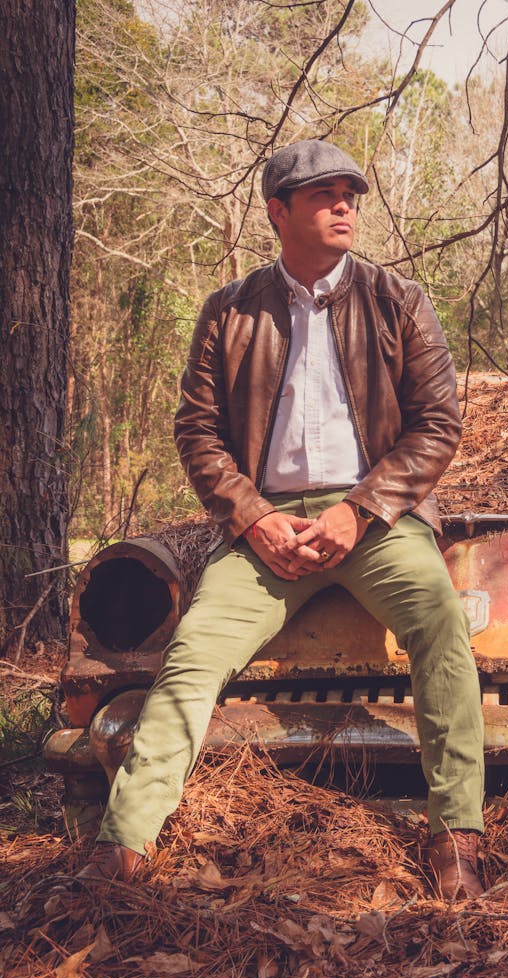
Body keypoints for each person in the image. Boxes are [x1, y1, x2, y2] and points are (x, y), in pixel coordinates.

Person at [77, 139, 485, 899]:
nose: (344, 206)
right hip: (266, 528)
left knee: (440, 620)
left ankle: (456, 834)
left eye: (350, 194)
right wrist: (253, 515)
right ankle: (122, 845)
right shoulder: (230, 310)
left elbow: (438, 424)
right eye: (324, 194)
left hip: (375, 517)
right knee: (193, 654)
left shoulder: (399, 299)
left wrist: (360, 511)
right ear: (278, 211)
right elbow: (197, 431)